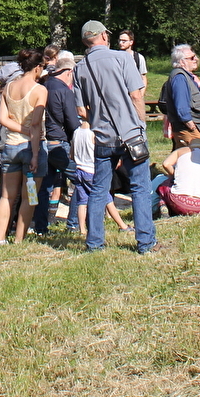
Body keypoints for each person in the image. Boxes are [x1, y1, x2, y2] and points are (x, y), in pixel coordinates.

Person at [75, 20, 159, 254]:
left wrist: (99, 121)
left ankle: (94, 243)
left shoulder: (80, 68)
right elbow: (136, 95)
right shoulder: (122, 59)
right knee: (140, 187)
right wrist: (140, 125)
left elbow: (81, 110)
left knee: (99, 190)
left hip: (102, 136)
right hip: (130, 133)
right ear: (103, 36)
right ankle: (145, 242)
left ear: (85, 41)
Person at [0, 49, 47, 245]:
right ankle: (19, 239)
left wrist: (21, 130)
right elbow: (35, 123)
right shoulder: (39, 90)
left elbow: (2, 118)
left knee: (7, 196)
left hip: (10, 146)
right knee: (29, 196)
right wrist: (34, 153)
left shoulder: (8, 88)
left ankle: (0, 239)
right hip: (32, 147)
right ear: (38, 67)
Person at [34, 50, 81, 235]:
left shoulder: (44, 86)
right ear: (68, 71)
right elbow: (72, 122)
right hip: (60, 143)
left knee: (44, 186)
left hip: (43, 142)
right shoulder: (63, 90)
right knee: (82, 180)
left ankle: (40, 226)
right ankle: (74, 222)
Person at [70, 118, 130, 237]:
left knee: (82, 201)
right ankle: (122, 225)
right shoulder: (93, 134)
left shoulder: (76, 132)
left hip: (79, 171)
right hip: (92, 171)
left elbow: (72, 155)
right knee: (107, 199)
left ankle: (82, 229)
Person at [151, 131, 200, 217]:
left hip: (179, 201)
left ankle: (159, 205)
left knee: (162, 181)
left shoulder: (181, 151)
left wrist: (174, 175)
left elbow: (166, 164)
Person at [159, 45, 200, 140]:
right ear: (182, 61)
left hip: (191, 129)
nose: (196, 59)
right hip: (188, 130)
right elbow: (181, 105)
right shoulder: (180, 77)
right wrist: (191, 125)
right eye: (192, 58)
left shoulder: (185, 76)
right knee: (193, 154)